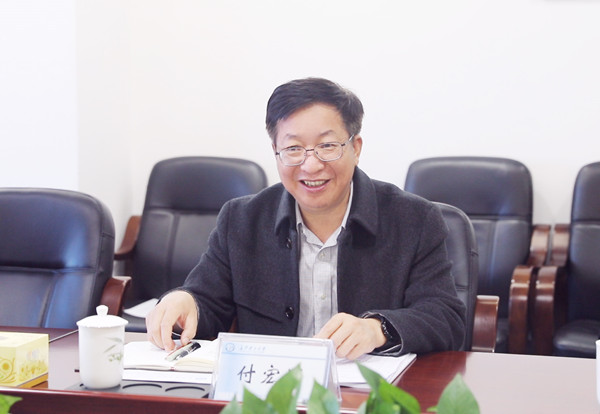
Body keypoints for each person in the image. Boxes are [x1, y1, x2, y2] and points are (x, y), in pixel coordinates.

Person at [146, 77, 466, 359]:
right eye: (294, 148)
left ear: (355, 148)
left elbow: (445, 319)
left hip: (371, 394)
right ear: (276, 150)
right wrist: (184, 302)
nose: (311, 165)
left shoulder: (414, 219)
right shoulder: (241, 220)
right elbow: (206, 302)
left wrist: (377, 329)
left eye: (327, 146)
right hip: (270, 392)